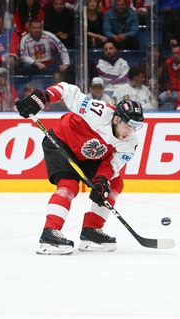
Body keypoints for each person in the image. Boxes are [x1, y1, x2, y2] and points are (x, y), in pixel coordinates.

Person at [14, 82, 144, 255]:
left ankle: (90, 231)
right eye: (128, 126)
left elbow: (112, 163)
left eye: (135, 127)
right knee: (69, 184)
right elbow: (68, 91)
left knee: (114, 184)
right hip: (62, 142)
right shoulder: (98, 111)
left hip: (89, 157)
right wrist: (42, 97)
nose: (130, 132)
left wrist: (101, 180)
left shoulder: (131, 141)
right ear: (115, 119)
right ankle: (49, 234)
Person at [158, 44, 180, 110]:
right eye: (173, 53)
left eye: (178, 53)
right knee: (161, 97)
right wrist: (168, 89)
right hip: (172, 91)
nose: (176, 55)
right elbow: (166, 79)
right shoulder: (168, 64)